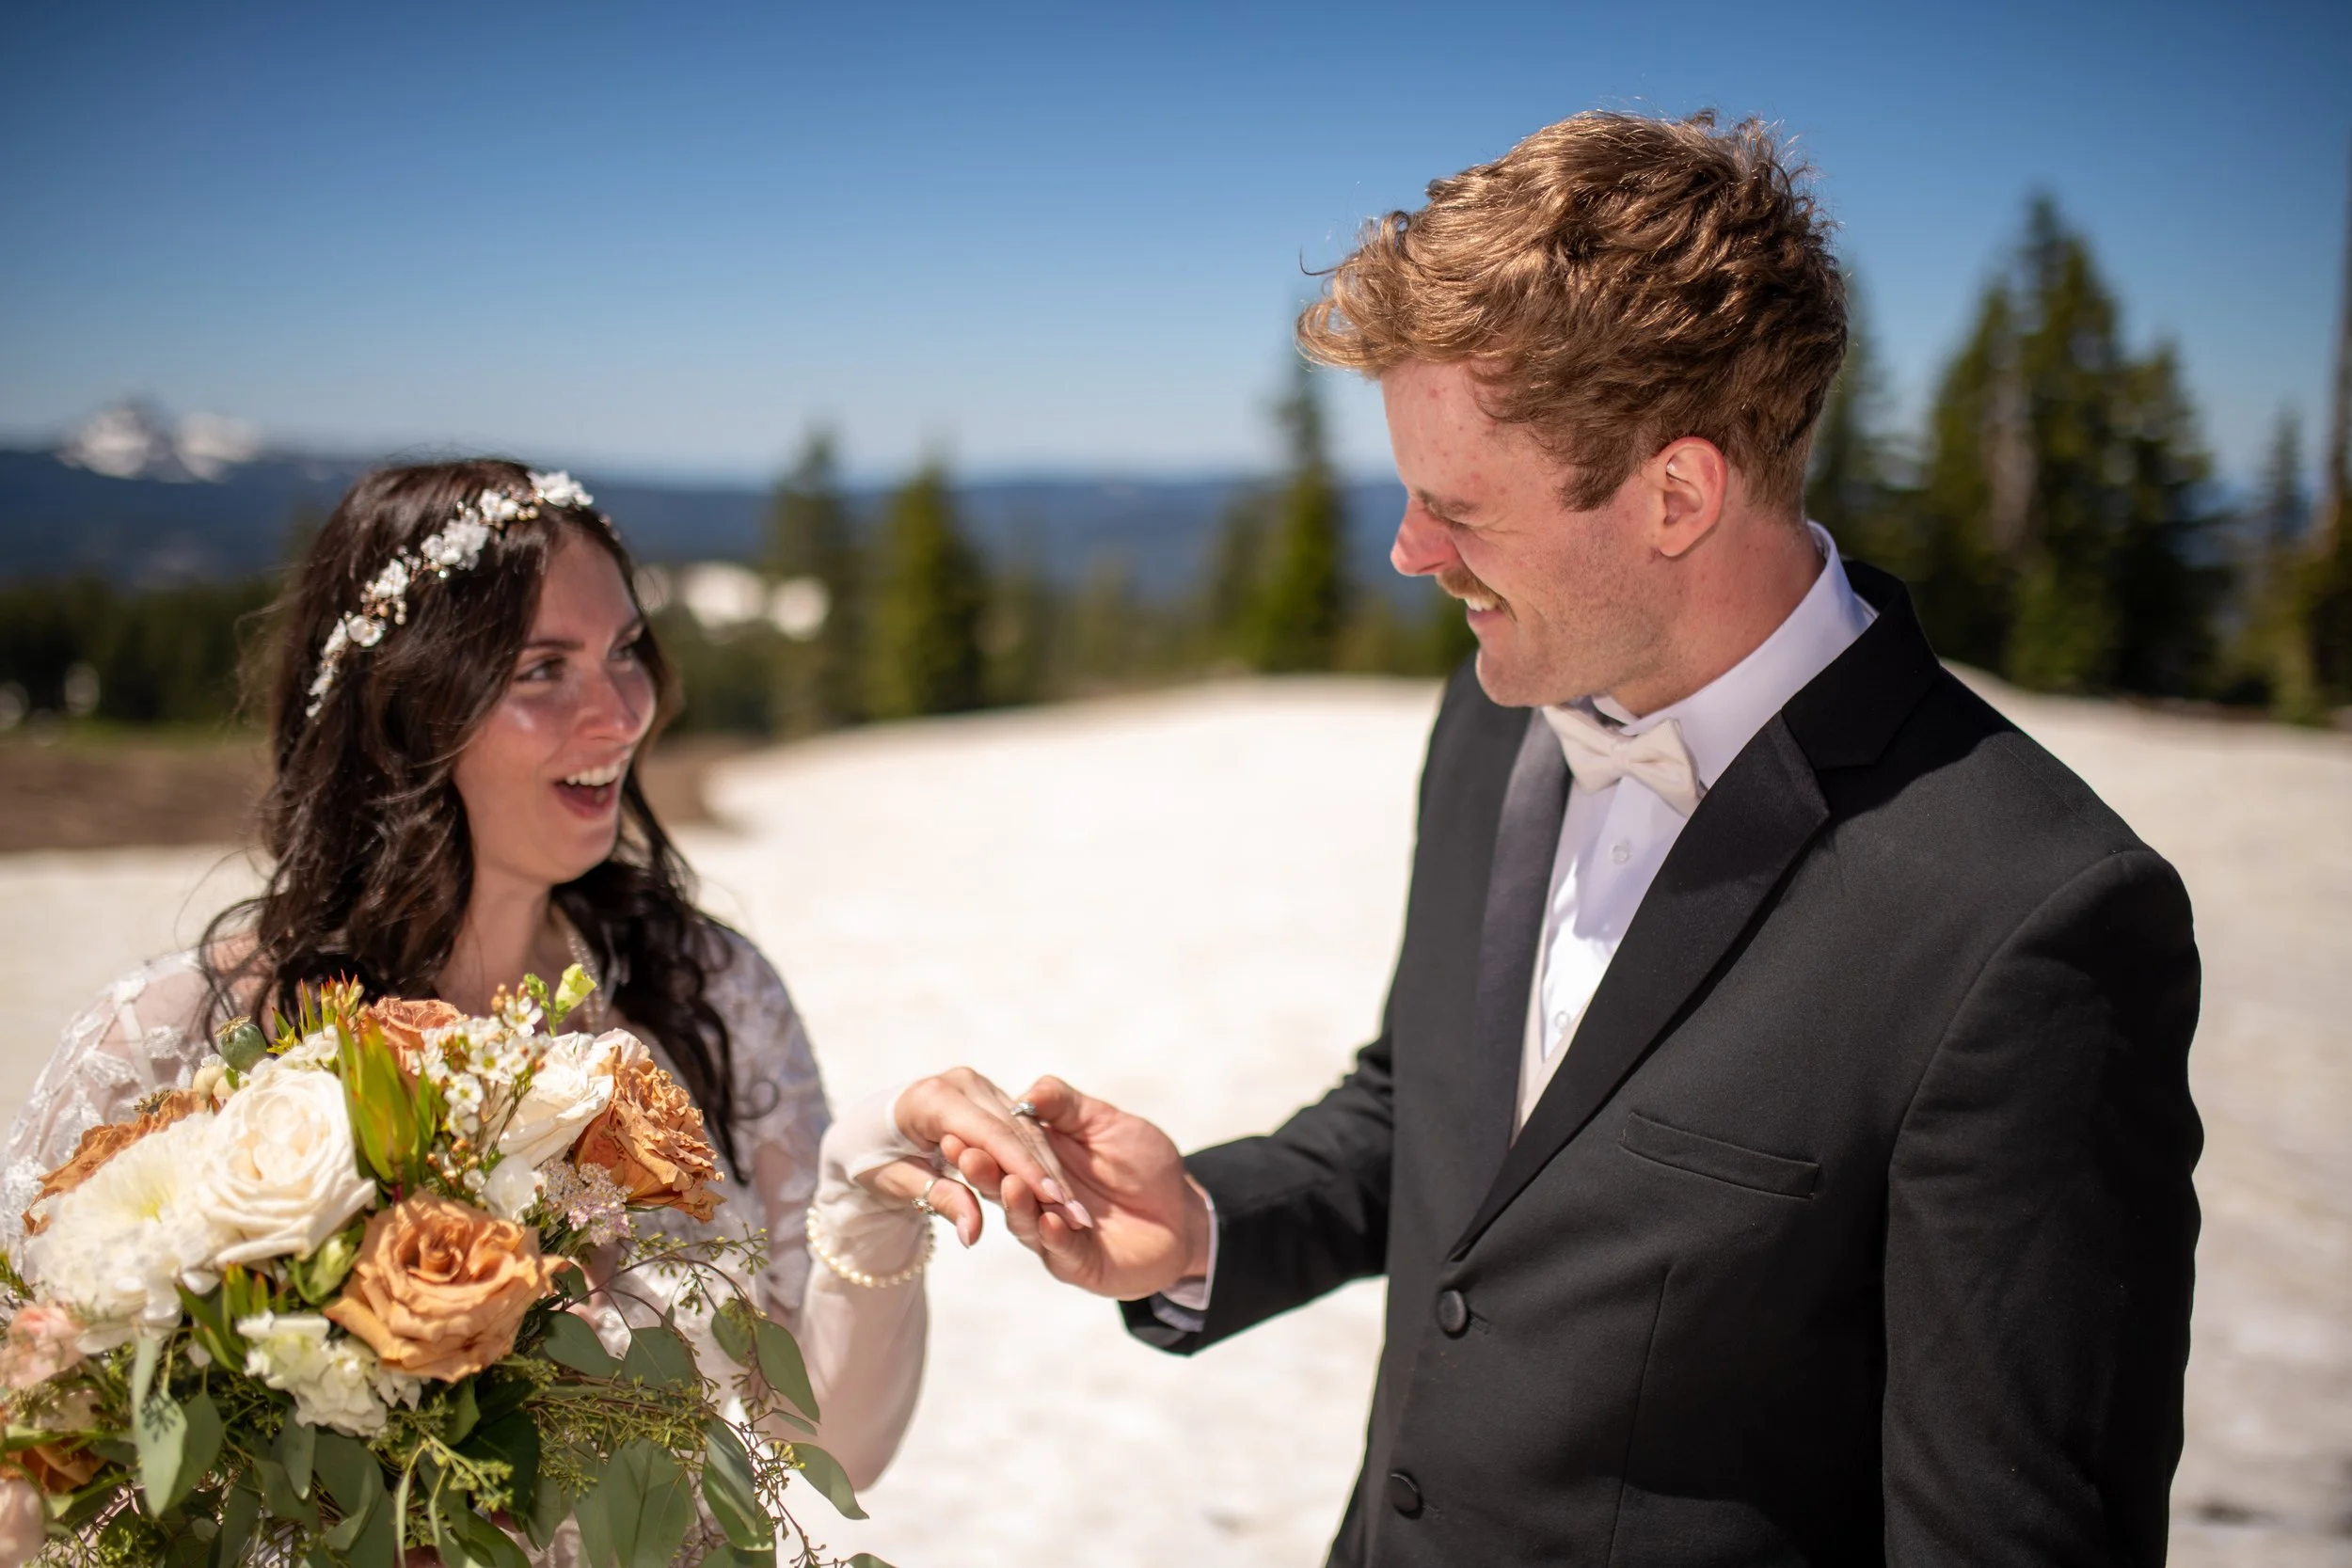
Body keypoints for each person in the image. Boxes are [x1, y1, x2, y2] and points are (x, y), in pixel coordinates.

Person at [914, 113, 2204, 1564]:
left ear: (1677, 493)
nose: (1408, 549)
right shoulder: (1498, 724)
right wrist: (1203, 1216)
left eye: (1456, 504)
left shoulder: (2028, 914)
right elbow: (1439, 1114)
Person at [0, 459, 1010, 1492]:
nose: (622, 713)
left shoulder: (709, 992)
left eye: (626, 651)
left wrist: (865, 1193)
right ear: (404, 707)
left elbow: (832, 1447)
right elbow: (38, 1435)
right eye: (543, 669)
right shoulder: (187, 1035)